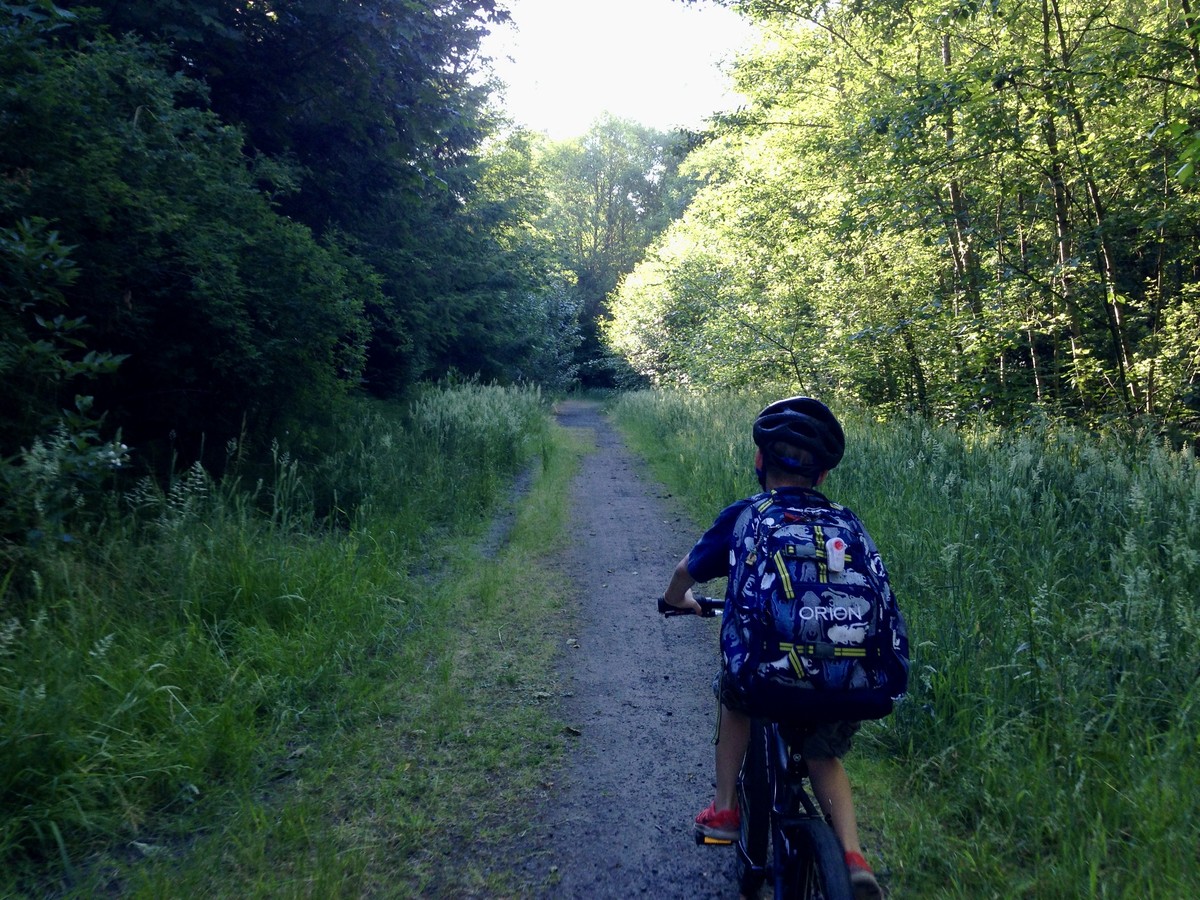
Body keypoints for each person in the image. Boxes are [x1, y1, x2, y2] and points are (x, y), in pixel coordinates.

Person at [662, 396, 884, 900]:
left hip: (766, 679)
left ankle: (723, 808)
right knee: (823, 755)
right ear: (823, 477)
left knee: (734, 694)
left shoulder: (745, 516)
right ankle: (852, 853)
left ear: (759, 461)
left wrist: (679, 602)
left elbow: (684, 574)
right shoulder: (846, 524)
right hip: (844, 676)